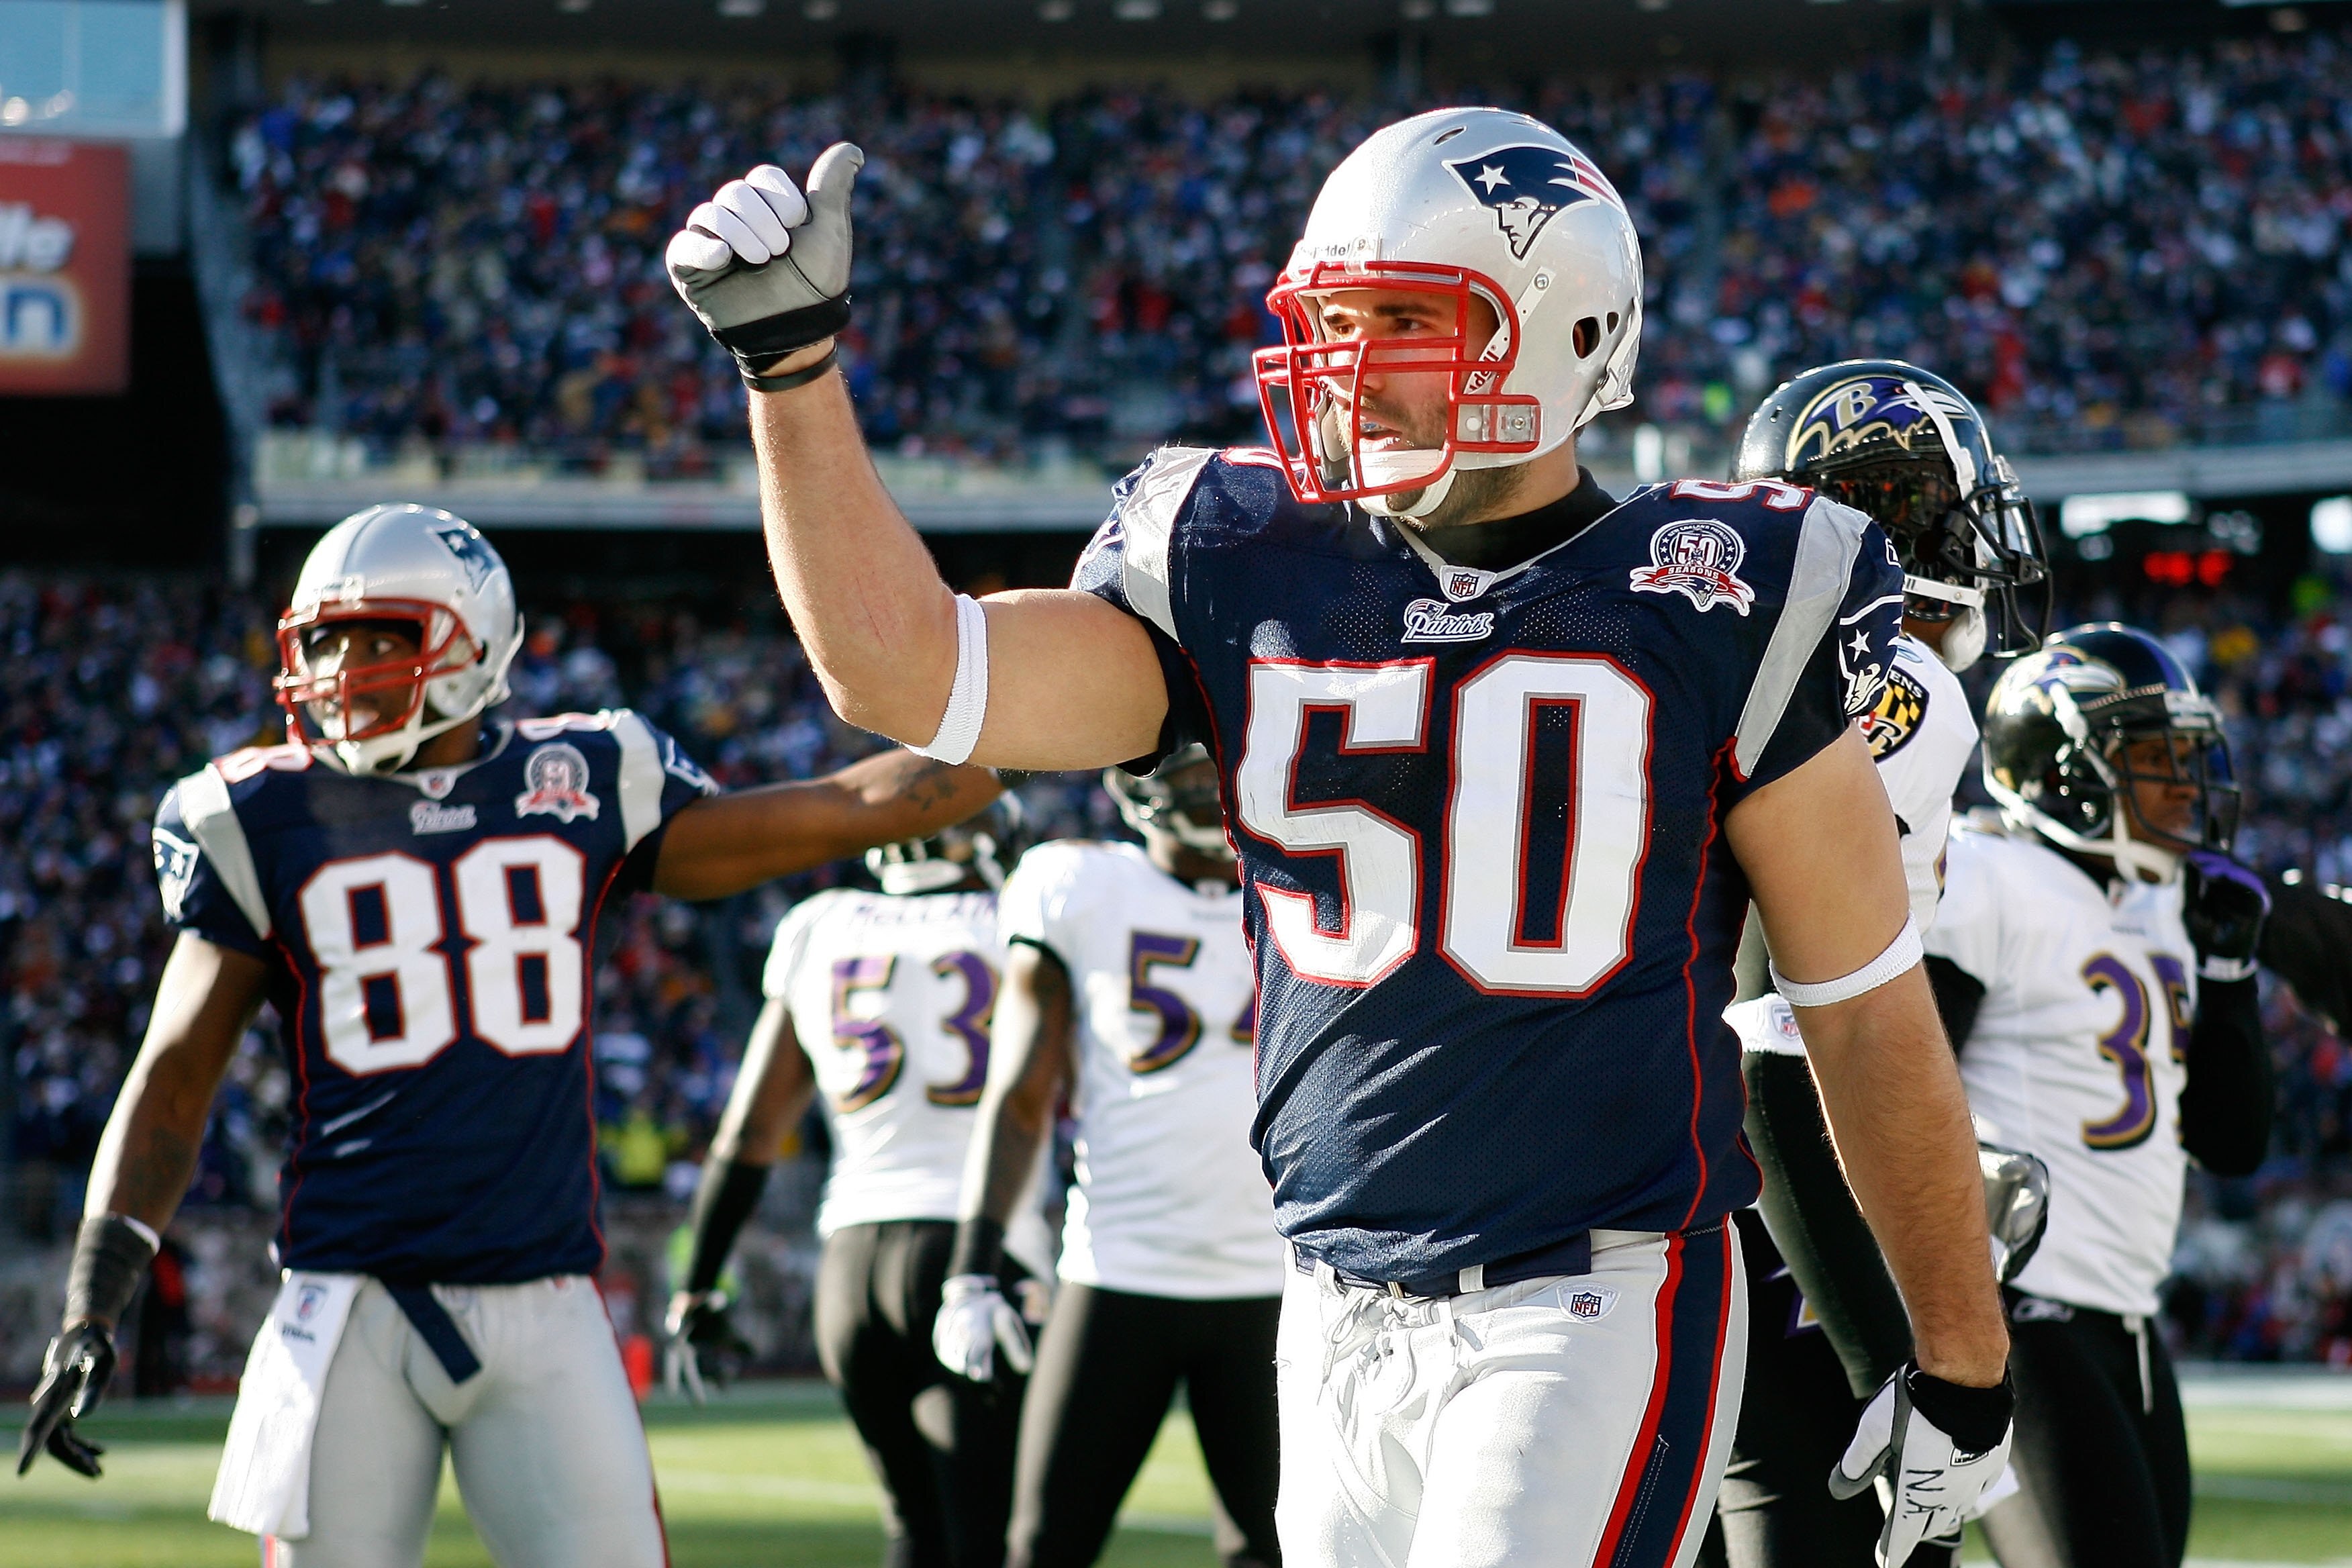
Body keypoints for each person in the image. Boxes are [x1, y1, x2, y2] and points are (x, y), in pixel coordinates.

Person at [667, 106, 2014, 1568]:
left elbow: (1859, 1015)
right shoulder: (1257, 566)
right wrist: (789, 372)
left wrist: (1960, 1358)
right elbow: (903, 671)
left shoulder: (1723, 593)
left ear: (1564, 338)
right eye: (1336, 319)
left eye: (1407, 320)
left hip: (1593, 1301)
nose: (1353, 367)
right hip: (1330, 1305)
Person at [15, 503, 1003, 1568]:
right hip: (346, 1309)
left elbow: (841, 806)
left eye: (382, 636)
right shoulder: (256, 817)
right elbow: (173, 1077)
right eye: (325, 640)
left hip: (546, 1306)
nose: (344, 666)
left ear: (472, 641)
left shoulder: (575, 781)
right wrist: (92, 1301)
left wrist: (1018, 712)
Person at [1703, 360, 2051, 1568]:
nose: (1974, 531)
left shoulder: (1754, 659)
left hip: (1655, 1179)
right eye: (1946, 501)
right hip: (1748, 1189)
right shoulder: (1892, 685)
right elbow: (1778, 1037)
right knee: (1874, 1531)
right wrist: (1886, 1350)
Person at [1928, 626, 2274, 1568]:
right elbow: (1903, 1090)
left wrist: (2232, 974)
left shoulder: (2160, 905)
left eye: (2186, 757)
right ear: (2061, 772)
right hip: (2021, 1309)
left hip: (2129, 1321)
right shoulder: (1985, 875)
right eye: (2153, 759)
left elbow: (2233, 1142)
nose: (2181, 785)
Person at [668, 798, 1046, 1568]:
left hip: (851, 1260)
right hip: (976, 1251)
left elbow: (749, 1131)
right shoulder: (1019, 914)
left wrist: (699, 1286)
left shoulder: (822, 923)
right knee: (986, 1539)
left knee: (914, 1529)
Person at [935, 746, 1283, 1568]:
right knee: (1046, 1544)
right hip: (1120, 1266)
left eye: (1215, 770)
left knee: (1278, 1547)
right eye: (1185, 774)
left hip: (1277, 1277)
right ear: (1134, 790)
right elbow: (1020, 1091)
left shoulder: (1296, 882)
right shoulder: (1081, 885)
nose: (1206, 789)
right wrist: (969, 1267)